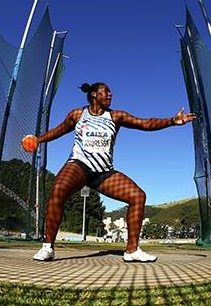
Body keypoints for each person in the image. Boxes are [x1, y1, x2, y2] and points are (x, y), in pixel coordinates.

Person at [27, 82, 196, 262]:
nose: (110, 95)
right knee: (58, 190)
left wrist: (172, 121)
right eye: (106, 91)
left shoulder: (116, 116)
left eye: (110, 92)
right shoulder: (77, 115)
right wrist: (38, 140)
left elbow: (145, 123)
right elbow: (57, 131)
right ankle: (48, 247)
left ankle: (132, 250)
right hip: (79, 165)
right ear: (93, 94)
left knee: (138, 196)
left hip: (103, 172)